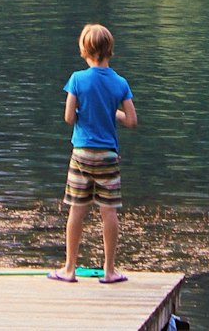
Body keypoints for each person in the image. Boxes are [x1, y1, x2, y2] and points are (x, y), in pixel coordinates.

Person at [49, 22, 137, 285]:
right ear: (110, 50)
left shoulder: (77, 79)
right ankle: (109, 271)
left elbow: (68, 117)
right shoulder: (120, 82)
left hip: (82, 154)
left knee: (77, 210)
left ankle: (69, 269)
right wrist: (112, 112)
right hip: (108, 156)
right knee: (109, 212)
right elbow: (131, 120)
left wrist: (84, 113)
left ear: (85, 51)